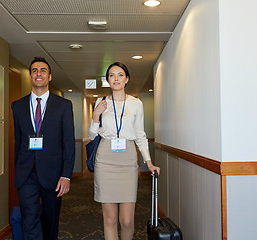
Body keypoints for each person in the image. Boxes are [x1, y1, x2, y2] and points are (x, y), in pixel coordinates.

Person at [88, 62, 160, 240]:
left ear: (127, 79)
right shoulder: (101, 102)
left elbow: (140, 135)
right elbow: (91, 135)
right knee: (110, 218)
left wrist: (148, 162)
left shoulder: (136, 103)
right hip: (105, 158)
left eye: (120, 75)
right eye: (112, 75)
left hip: (127, 158)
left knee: (127, 220)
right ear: (108, 80)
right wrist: (96, 114)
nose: (116, 79)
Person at [11, 57, 75, 240]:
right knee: (29, 220)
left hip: (54, 174)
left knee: (50, 220)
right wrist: (18, 170)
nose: (39, 73)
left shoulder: (63, 106)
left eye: (43, 70)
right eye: (35, 70)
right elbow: (19, 140)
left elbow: (68, 142)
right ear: (30, 75)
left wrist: (66, 175)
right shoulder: (17, 106)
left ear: (50, 76)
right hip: (26, 174)